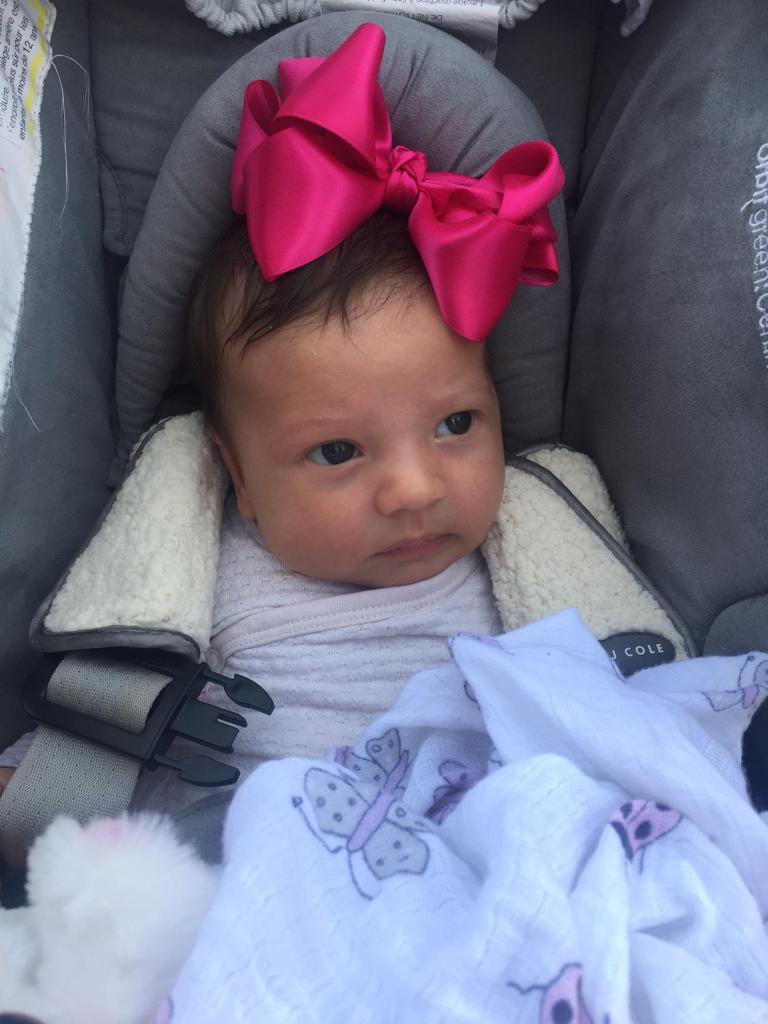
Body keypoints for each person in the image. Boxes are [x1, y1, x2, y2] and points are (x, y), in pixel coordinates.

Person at [0, 24, 564, 815]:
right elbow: (106, 716)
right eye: (337, 450)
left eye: (456, 425)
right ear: (238, 477)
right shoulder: (196, 573)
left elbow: (631, 701)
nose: (415, 489)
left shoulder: (527, 555)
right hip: (251, 850)